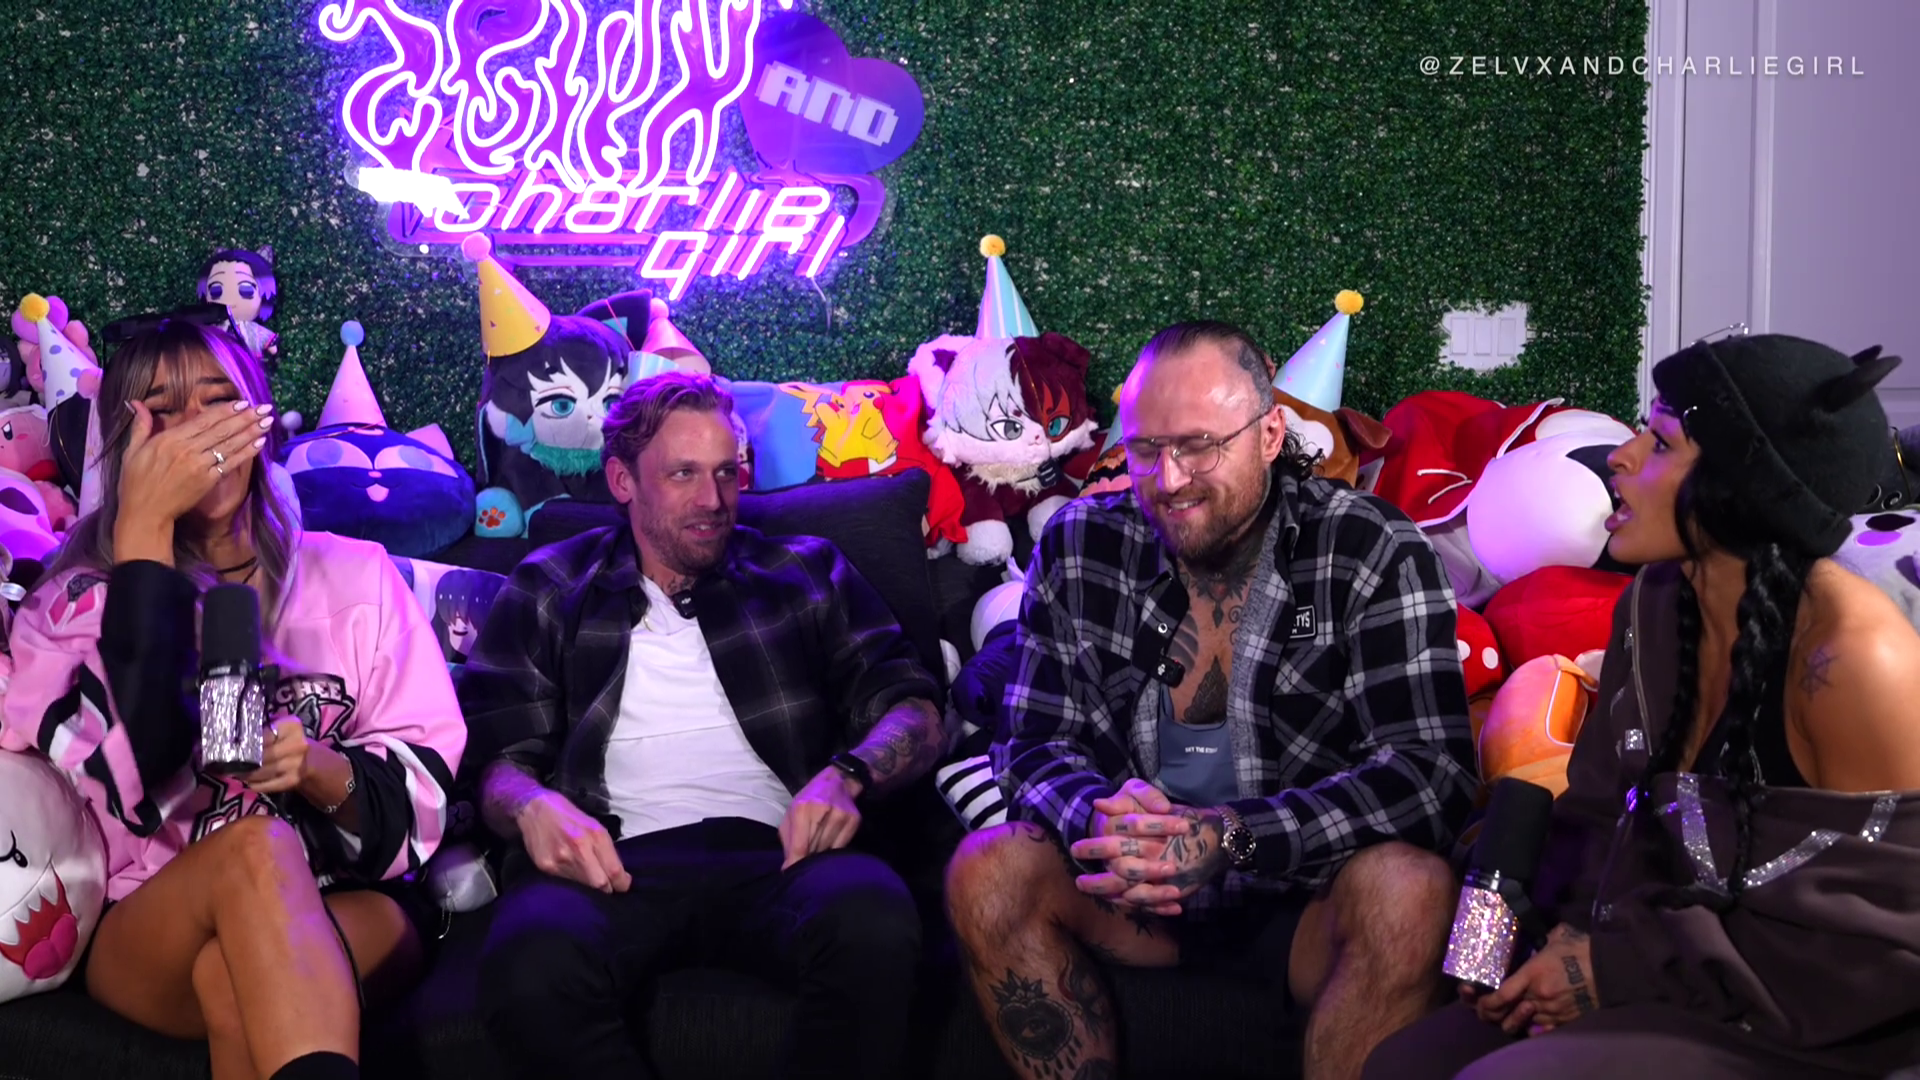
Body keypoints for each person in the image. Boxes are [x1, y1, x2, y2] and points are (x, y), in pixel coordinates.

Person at [1363, 334, 1920, 1080]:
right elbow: (1602, 815)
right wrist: (1544, 942)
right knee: (1405, 1062)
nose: (1617, 458)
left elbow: (1885, 946)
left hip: (1817, 1023)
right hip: (1668, 971)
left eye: (1659, 442)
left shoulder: (1854, 658)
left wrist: (1617, 970)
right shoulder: (1655, 601)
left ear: (1744, 485)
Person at [946, 321, 1477, 1080]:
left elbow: (1430, 772)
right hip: (1131, 898)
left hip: (1304, 896)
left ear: (1269, 435)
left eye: (1199, 446)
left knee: (1412, 890)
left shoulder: (1367, 545)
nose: (1169, 480)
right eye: (1145, 450)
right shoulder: (1080, 543)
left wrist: (1230, 838)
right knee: (987, 868)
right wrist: (1101, 821)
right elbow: (1032, 742)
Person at [0, 322, 465, 1080]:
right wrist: (144, 535)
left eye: (220, 402)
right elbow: (137, 775)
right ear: (122, 445)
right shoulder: (73, 602)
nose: (199, 432)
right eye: (163, 412)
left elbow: (425, 790)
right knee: (253, 847)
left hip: (343, 896)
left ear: (261, 422)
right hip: (153, 921)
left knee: (234, 972)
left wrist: (317, 768)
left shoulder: (358, 576)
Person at [459, 372, 949, 1080]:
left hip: (783, 853)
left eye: (726, 472)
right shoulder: (552, 585)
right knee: (529, 963)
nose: (714, 500)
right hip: (610, 863)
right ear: (623, 480)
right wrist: (531, 805)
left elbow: (915, 708)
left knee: (874, 919)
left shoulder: (803, 570)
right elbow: (494, 758)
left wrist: (850, 776)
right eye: (683, 474)